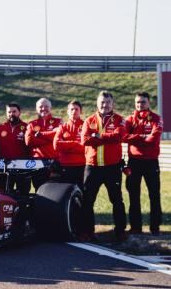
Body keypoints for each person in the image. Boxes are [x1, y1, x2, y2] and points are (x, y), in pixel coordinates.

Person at [79, 91, 130, 242]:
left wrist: (99, 136)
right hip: (92, 167)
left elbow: (119, 136)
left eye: (108, 102)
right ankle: (87, 231)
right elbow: (84, 140)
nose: (105, 105)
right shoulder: (89, 120)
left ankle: (120, 231)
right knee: (87, 200)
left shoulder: (120, 120)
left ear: (112, 104)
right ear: (97, 103)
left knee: (117, 200)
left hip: (112, 167)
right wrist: (106, 138)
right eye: (102, 102)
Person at [125, 92, 163, 235]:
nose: (140, 105)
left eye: (143, 102)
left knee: (154, 195)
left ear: (149, 103)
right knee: (133, 195)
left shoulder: (156, 119)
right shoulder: (129, 120)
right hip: (134, 162)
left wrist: (134, 138)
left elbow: (153, 138)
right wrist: (141, 137)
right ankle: (136, 227)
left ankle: (155, 227)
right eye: (138, 102)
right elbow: (123, 136)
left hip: (151, 162)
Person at [25, 98, 61, 189]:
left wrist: (40, 135)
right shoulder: (32, 124)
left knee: (55, 190)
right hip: (38, 163)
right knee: (39, 189)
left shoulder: (58, 122)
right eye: (40, 106)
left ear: (51, 108)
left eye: (46, 106)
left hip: (54, 162)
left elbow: (59, 136)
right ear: (36, 109)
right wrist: (50, 138)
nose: (43, 108)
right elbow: (29, 141)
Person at [0, 103, 31, 193]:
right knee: (4, 193)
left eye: (14, 111)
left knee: (24, 193)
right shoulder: (0, 128)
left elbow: (31, 147)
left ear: (19, 112)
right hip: (4, 167)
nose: (11, 114)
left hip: (23, 167)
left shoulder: (27, 127)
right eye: (9, 112)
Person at [52, 100, 86, 187]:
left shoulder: (86, 126)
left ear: (80, 111)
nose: (74, 111)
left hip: (82, 166)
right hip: (65, 166)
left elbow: (86, 147)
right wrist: (75, 144)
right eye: (71, 109)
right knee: (66, 193)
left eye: (76, 109)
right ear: (67, 111)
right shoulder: (62, 127)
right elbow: (56, 145)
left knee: (83, 193)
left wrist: (66, 145)